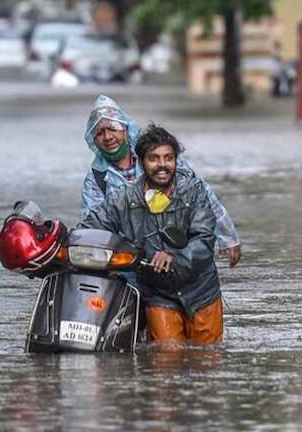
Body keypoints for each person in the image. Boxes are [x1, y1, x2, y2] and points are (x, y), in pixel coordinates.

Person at [80, 124, 224, 345]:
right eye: (154, 158)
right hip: (157, 294)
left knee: (208, 360)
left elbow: (204, 239)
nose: (162, 165)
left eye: (169, 158)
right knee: (165, 361)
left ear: (176, 160)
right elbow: (90, 227)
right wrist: (65, 243)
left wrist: (175, 257)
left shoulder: (193, 191)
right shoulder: (124, 199)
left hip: (202, 291)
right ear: (141, 162)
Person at [80, 95, 241, 267]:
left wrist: (228, 237)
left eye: (113, 128)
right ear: (94, 140)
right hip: (131, 261)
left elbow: (203, 198)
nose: (108, 137)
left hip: (178, 252)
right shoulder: (95, 179)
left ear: (125, 129)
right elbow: (93, 226)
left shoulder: (161, 157)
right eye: (99, 133)